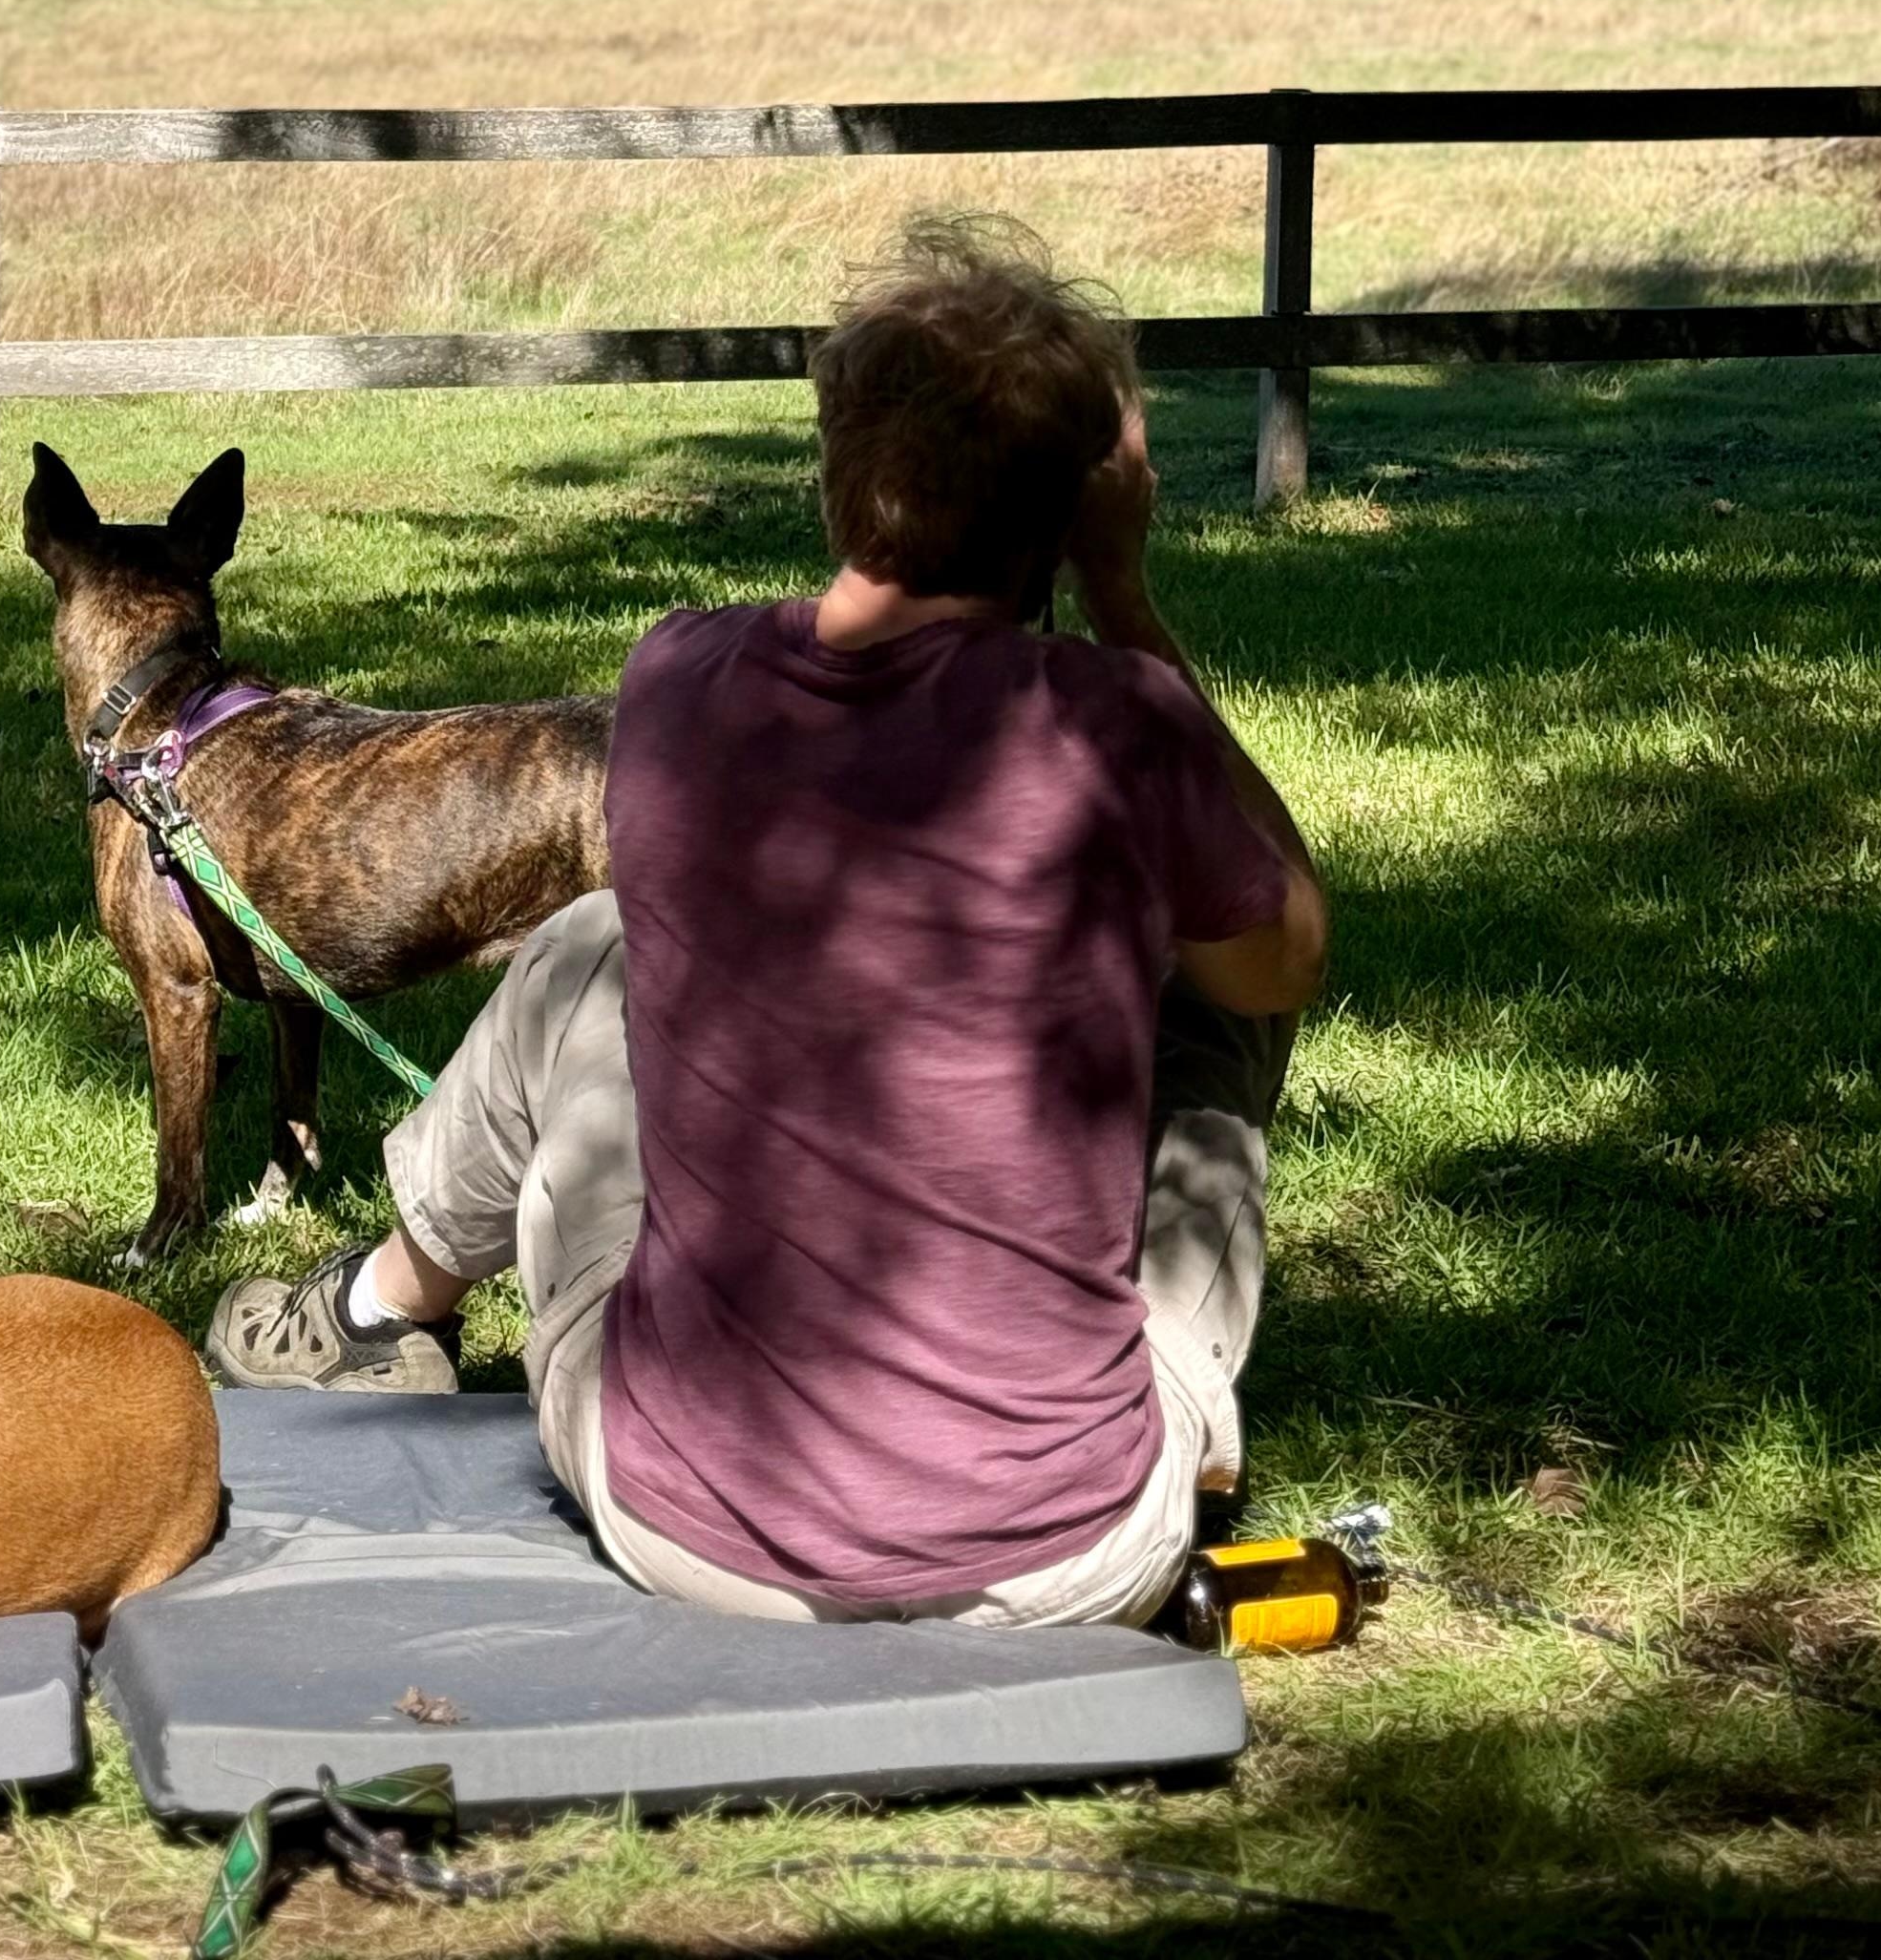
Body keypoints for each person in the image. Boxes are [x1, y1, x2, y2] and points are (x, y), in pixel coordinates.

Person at [203, 225, 1329, 1628]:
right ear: (1079, 503)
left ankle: (380, 1308)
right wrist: (1123, 595)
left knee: (590, 947)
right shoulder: (1119, 725)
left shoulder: (681, 679)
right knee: (1216, 997)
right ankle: (1175, 1422)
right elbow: (1285, 955)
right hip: (1071, 1563)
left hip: (688, 1525)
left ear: (839, 469)